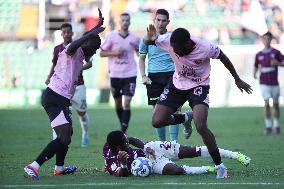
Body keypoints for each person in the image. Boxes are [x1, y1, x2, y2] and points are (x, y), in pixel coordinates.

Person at [143, 25, 253, 179]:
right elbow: (148, 41)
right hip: (177, 84)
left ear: (188, 44)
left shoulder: (205, 48)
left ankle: (219, 166)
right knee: (157, 121)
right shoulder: (168, 41)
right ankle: (185, 118)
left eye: (178, 49)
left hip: (199, 86)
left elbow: (223, 57)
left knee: (201, 125)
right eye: (173, 48)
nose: (174, 51)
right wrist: (149, 38)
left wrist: (237, 79)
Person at [24, 9, 105, 180]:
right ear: (88, 44)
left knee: (67, 134)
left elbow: (86, 42)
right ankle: (34, 165)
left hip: (60, 98)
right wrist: (91, 34)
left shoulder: (81, 53)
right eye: (95, 47)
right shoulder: (72, 50)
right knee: (64, 135)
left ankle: (59, 167)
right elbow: (78, 44)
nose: (96, 51)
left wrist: (95, 28)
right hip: (54, 97)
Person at [139, 9, 192, 141]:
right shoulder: (145, 39)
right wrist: (143, 76)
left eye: (163, 20)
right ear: (154, 20)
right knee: (157, 112)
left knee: (175, 109)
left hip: (172, 75)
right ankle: (162, 145)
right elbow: (141, 59)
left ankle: (173, 143)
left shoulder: (172, 38)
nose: (160, 23)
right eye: (158, 20)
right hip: (154, 77)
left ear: (168, 22)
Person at [103, 130, 251, 177]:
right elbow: (119, 173)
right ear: (117, 146)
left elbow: (132, 139)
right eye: (124, 142)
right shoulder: (111, 157)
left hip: (153, 150)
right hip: (152, 165)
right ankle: (211, 169)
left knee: (192, 151)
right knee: (176, 171)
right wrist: (123, 163)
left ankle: (235, 155)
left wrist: (146, 147)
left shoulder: (121, 140)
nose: (127, 142)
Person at [45, 23, 92, 147]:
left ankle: (85, 134)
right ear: (61, 34)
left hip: (78, 85)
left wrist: (77, 68)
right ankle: (57, 141)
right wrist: (49, 77)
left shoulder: (80, 46)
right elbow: (55, 65)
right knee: (59, 114)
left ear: (72, 33)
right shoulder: (57, 49)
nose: (66, 34)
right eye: (64, 32)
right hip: (61, 89)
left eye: (68, 32)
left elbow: (89, 63)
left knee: (81, 113)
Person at [100, 13, 140, 133]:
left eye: (127, 20)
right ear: (119, 22)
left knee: (127, 102)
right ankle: (122, 124)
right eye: (123, 20)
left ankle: (123, 129)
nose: (125, 22)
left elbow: (140, 52)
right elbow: (101, 53)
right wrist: (114, 53)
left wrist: (140, 52)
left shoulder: (135, 38)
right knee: (118, 104)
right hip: (115, 75)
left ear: (130, 22)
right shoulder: (111, 36)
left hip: (130, 74)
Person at [254, 31, 284, 135]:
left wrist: (278, 63)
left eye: (268, 39)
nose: (266, 41)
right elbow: (256, 65)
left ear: (271, 40)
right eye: (265, 39)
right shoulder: (259, 54)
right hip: (264, 82)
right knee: (266, 103)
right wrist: (254, 73)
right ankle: (268, 126)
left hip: (274, 82)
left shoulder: (276, 52)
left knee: (275, 104)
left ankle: (276, 125)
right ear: (262, 40)